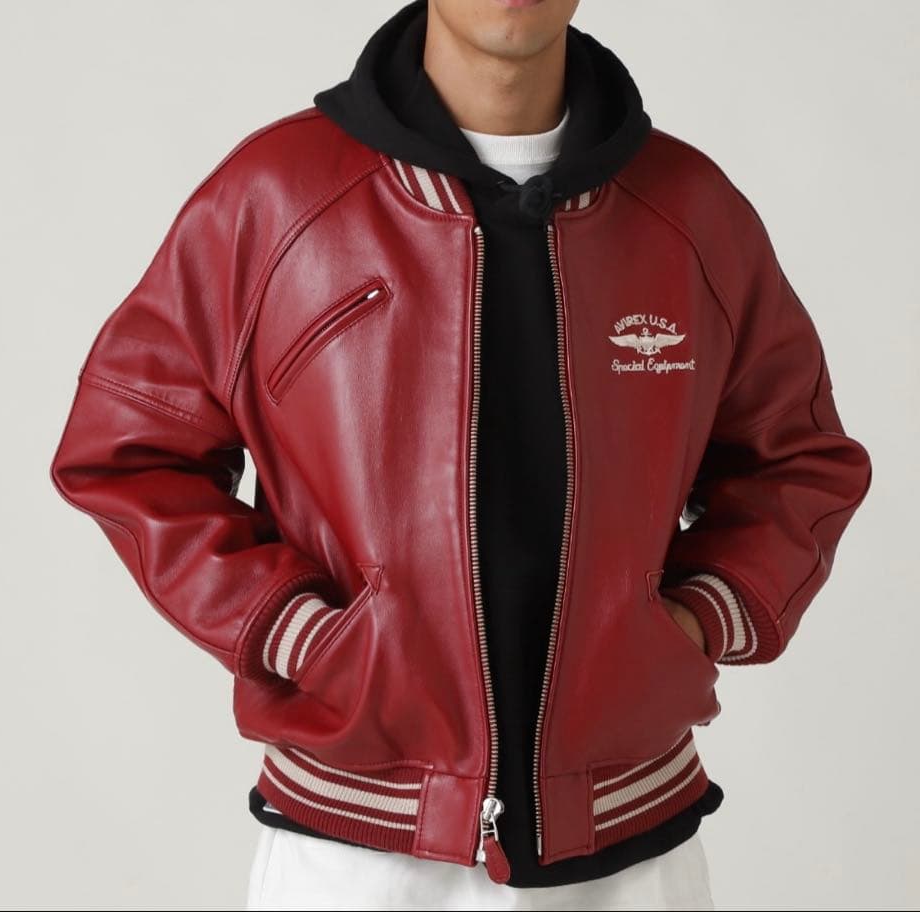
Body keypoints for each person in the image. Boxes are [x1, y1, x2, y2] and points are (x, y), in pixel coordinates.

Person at [48, 1, 873, 909]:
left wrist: (696, 620)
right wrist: (303, 635)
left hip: (632, 855)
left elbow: (797, 460)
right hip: (358, 859)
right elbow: (128, 450)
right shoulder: (274, 197)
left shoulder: (691, 211)